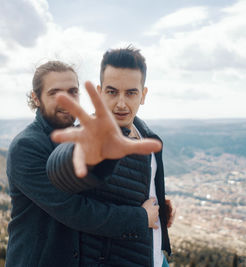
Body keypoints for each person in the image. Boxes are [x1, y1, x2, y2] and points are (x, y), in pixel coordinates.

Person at [6, 60, 164, 266]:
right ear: (36, 98)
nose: (66, 101)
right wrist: (140, 218)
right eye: (55, 93)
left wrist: (159, 205)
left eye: (72, 92)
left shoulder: (80, 134)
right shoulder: (26, 147)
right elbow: (74, 209)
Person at [47, 47, 174, 266]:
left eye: (131, 93)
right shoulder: (92, 136)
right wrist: (84, 152)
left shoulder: (148, 137)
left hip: (156, 258)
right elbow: (61, 169)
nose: (121, 104)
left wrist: (160, 206)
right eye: (112, 92)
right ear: (100, 92)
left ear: (143, 95)